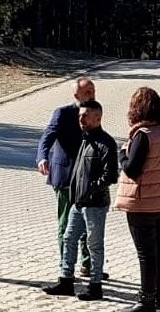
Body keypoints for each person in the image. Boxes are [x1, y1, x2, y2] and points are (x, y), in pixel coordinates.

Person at [42, 100, 118, 301]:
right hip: (79, 201)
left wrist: (90, 190)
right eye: (80, 116)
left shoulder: (105, 143)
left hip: (95, 203)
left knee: (94, 244)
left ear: (97, 118)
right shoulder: (84, 139)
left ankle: (95, 285)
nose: (81, 119)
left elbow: (110, 176)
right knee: (69, 237)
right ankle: (65, 279)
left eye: (85, 116)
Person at [114, 87, 160, 312]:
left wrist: (122, 153)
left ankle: (146, 302)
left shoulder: (143, 135)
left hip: (143, 204)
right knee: (159, 251)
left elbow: (132, 169)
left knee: (146, 255)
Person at [37, 78, 97, 278]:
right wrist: (42, 157)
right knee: (67, 224)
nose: (91, 94)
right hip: (65, 177)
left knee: (88, 222)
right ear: (76, 96)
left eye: (92, 90)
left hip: (87, 179)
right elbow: (47, 136)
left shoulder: (95, 112)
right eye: (87, 91)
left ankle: (87, 265)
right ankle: (65, 266)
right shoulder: (63, 113)